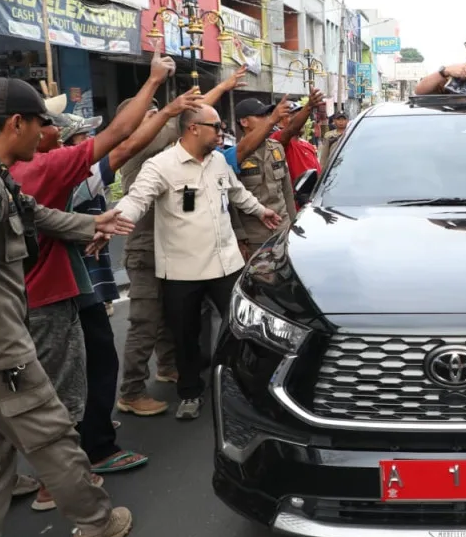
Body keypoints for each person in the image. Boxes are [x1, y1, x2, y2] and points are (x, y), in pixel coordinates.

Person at [0, 76, 135, 537]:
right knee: (54, 436)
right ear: (16, 123)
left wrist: (94, 222)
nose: (43, 131)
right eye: (39, 122)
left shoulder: (0, 178)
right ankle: (96, 522)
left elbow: (36, 214)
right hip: (0, 349)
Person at [114, 104, 283, 420]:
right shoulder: (161, 165)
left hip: (226, 264)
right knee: (186, 338)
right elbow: (137, 200)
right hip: (182, 270)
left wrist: (261, 211)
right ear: (193, 128)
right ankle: (189, 393)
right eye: (215, 126)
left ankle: (245, 388)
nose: (222, 132)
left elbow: (236, 192)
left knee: (241, 329)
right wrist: (113, 222)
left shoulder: (218, 161)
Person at [232, 97, 297, 258]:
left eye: (267, 115)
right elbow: (231, 199)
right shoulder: (235, 155)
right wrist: (240, 236)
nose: (267, 119)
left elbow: (287, 190)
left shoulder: (276, 148)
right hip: (254, 235)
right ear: (244, 122)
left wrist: (293, 224)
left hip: (282, 228)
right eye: (260, 116)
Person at [270, 89, 324, 188]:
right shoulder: (277, 140)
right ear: (279, 121)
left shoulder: (308, 145)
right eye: (292, 115)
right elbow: (292, 128)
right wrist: (309, 106)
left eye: (300, 115)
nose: (301, 120)